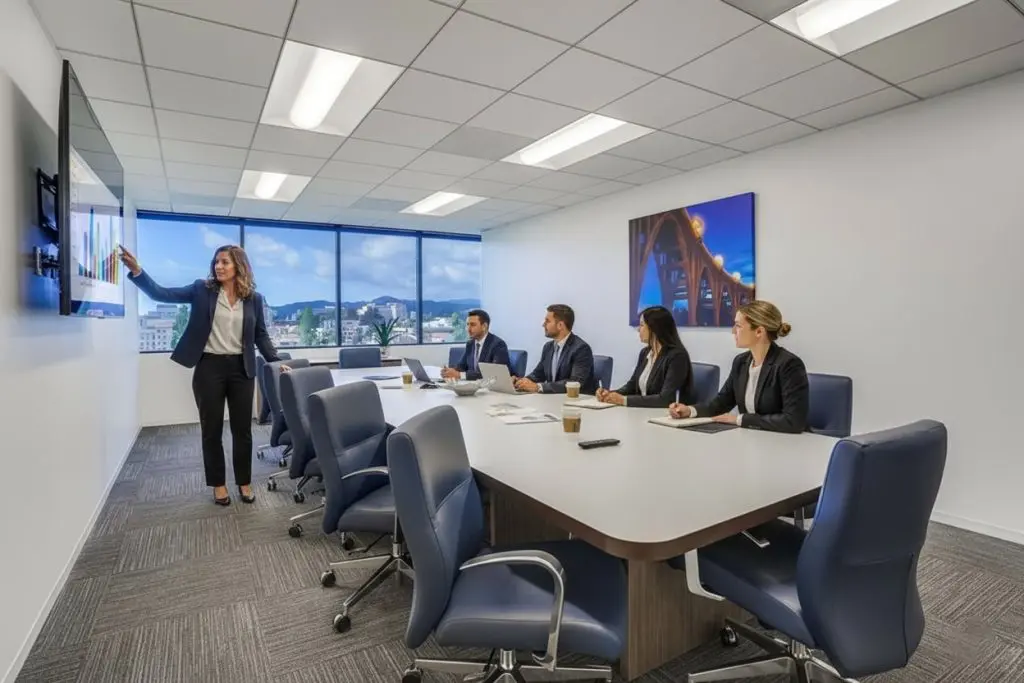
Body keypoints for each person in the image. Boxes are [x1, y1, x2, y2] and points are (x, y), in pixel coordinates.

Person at [119, 244, 283, 506]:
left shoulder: (254, 298)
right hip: (209, 368)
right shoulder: (202, 290)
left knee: (243, 431)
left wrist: (276, 361)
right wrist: (138, 271)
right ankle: (218, 485)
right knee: (212, 429)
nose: (219, 266)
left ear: (239, 266)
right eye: (216, 262)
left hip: (243, 369)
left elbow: (261, 334)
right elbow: (163, 294)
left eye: (225, 262)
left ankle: (244, 481)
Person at [668, 300, 809, 433]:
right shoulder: (741, 362)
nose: (733, 331)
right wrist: (690, 410)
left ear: (759, 332)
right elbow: (721, 403)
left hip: (782, 444)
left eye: (739, 326)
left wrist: (739, 419)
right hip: (752, 439)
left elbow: (793, 421)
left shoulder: (789, 365)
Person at [596, 305, 695, 408]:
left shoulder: (677, 356)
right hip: (643, 413)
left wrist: (624, 400)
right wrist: (610, 394)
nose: (638, 330)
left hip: (665, 416)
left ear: (655, 329)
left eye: (642, 325)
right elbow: (632, 386)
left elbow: (665, 399)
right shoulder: (645, 352)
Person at [514, 304, 596, 394]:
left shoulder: (581, 349)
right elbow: (538, 374)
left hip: (577, 401)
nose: (543, 325)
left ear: (560, 325)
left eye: (547, 321)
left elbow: (575, 382)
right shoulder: (548, 347)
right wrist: (521, 381)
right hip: (554, 399)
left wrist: (538, 387)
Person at [440, 309, 511, 381]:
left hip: (492, 389)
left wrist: (459, 375)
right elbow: (461, 367)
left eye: (473, 325)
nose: (468, 329)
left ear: (484, 326)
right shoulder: (470, 344)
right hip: (474, 387)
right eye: (467, 324)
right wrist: (449, 372)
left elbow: (493, 374)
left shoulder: (498, 345)